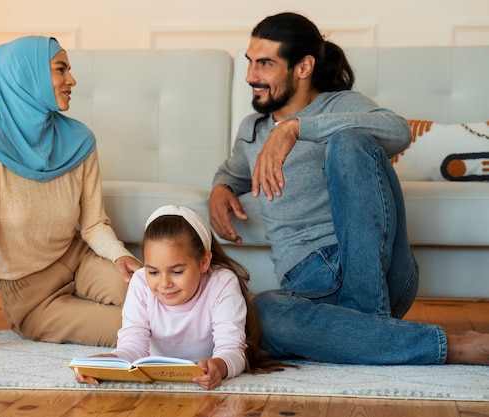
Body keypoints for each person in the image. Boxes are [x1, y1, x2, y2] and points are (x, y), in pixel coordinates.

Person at [209, 12, 489, 365]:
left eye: (265, 64)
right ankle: (387, 333)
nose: (251, 76)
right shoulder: (252, 128)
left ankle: (367, 314)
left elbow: (398, 131)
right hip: (309, 287)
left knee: (349, 142)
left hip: (375, 270)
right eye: (250, 62)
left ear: (303, 67)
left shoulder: (340, 105)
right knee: (261, 313)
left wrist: (296, 127)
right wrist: (220, 189)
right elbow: (231, 172)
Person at [0, 36, 142, 352]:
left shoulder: (79, 140)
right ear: (26, 76)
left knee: (149, 295)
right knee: (131, 329)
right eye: (61, 69)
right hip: (31, 295)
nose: (71, 80)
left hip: (77, 260)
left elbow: (93, 224)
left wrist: (120, 255)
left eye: (68, 70)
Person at [75, 205, 290, 390]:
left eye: (177, 272)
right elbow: (133, 346)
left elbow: (232, 349)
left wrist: (220, 366)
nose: (164, 283)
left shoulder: (222, 282)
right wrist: (105, 363)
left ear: (204, 262)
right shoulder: (140, 282)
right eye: (153, 271)